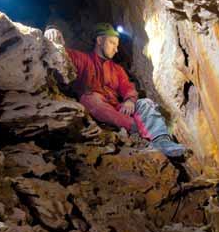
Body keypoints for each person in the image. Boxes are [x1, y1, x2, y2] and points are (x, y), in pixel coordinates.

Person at [44, 23, 187, 157]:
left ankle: (162, 141)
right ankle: (138, 129)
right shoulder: (83, 60)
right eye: (112, 43)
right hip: (97, 109)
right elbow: (62, 54)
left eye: (117, 45)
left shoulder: (117, 69)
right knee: (90, 98)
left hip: (116, 107)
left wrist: (130, 101)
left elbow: (128, 88)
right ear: (99, 40)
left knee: (145, 103)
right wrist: (52, 30)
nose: (116, 49)